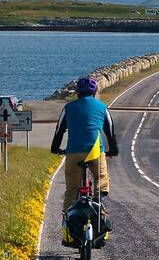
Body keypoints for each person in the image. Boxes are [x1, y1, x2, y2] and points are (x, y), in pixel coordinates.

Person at [51, 77, 119, 211]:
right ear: (95, 93)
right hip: (95, 151)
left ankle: (67, 220)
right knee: (101, 178)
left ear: (77, 93)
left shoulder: (68, 107)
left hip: (74, 151)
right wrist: (113, 150)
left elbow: (59, 130)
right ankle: (99, 203)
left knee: (71, 190)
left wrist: (55, 148)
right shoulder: (102, 107)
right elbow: (110, 131)